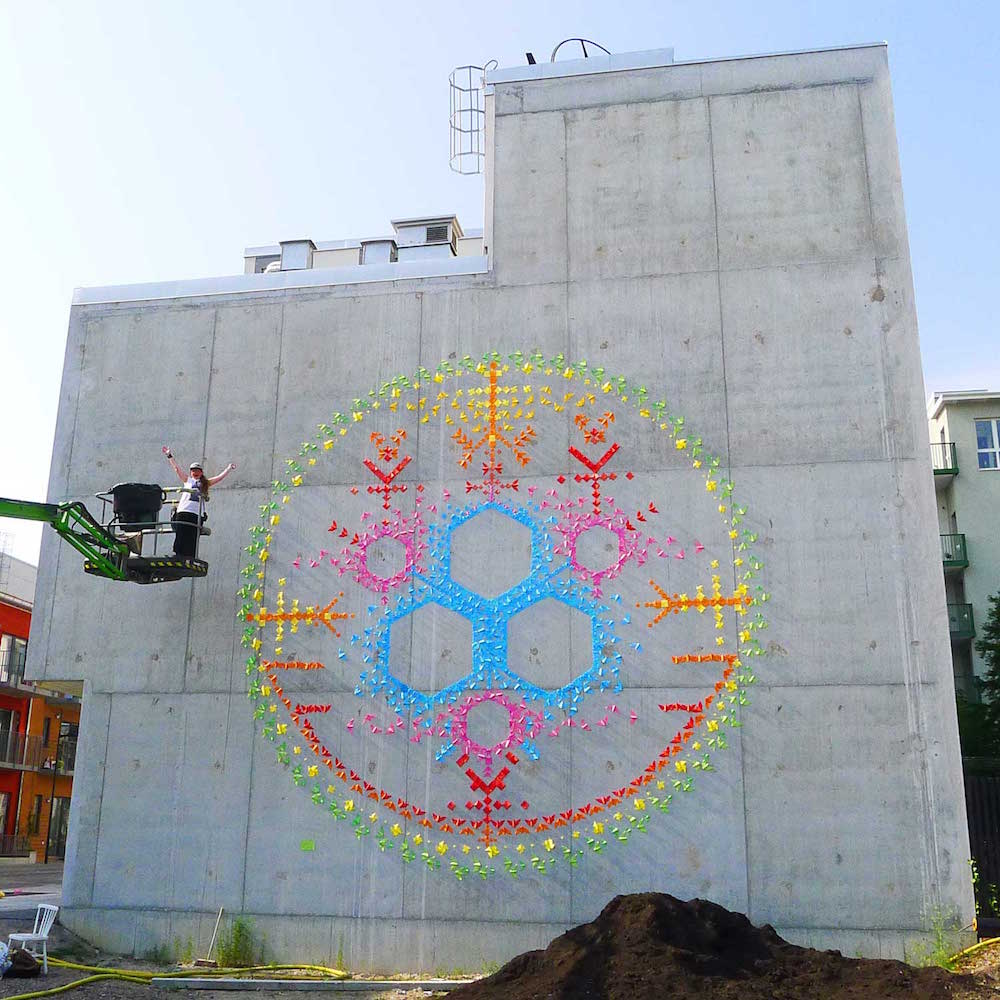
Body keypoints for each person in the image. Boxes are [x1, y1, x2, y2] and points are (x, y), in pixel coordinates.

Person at [162, 447, 236, 558]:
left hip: (196, 513)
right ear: (191, 472)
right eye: (193, 471)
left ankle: (190, 556)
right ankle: (178, 554)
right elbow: (177, 469)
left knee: (192, 535)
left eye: (197, 471)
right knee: (181, 532)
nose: (195, 472)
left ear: (201, 472)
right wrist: (169, 455)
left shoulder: (205, 483)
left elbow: (219, 478)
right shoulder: (187, 480)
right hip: (184, 510)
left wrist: (229, 469)